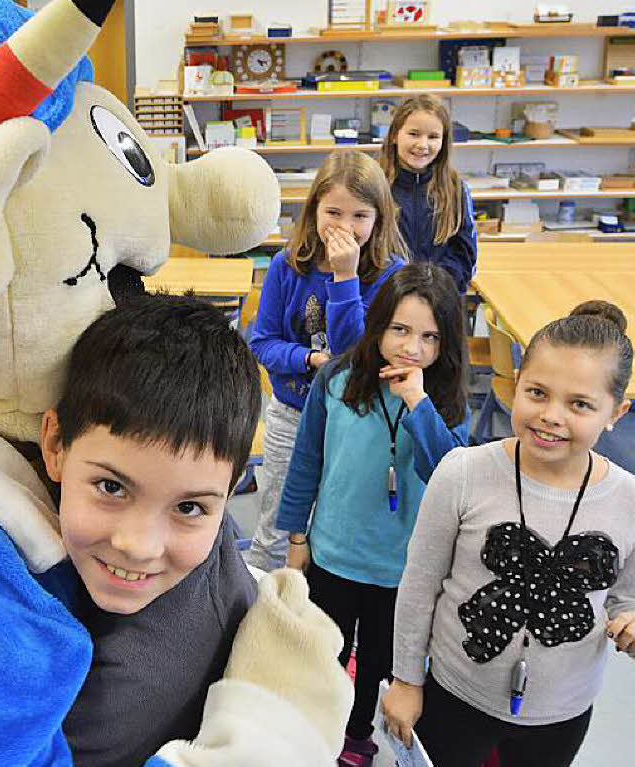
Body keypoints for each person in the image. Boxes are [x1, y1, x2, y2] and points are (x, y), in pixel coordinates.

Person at [0, 294, 354, 766]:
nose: (139, 544)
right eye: (113, 488)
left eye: (189, 508)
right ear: (53, 445)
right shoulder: (196, 564)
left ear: (233, 488)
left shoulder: (115, 684)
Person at [383, 301, 635, 767]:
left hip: (562, 710)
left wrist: (628, 621)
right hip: (456, 694)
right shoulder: (461, 472)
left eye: (580, 404)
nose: (552, 416)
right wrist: (405, 680)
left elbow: (624, 596)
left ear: (615, 412)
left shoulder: (629, 500)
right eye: (538, 392)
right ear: (514, 384)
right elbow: (419, 586)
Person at [277, 262, 471, 766]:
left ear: (445, 344)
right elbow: (306, 463)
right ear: (378, 324)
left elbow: (449, 473)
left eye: (429, 337)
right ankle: (317, 728)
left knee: (379, 665)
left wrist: (419, 404)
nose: (411, 347)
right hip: (333, 553)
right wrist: (296, 540)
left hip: (401, 569)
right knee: (323, 654)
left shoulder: (444, 400)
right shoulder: (338, 380)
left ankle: (358, 733)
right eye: (400, 330)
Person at [245, 149, 407, 572]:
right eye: (333, 212)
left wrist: (345, 276)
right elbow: (262, 343)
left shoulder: (391, 276)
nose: (345, 228)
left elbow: (353, 352)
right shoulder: (287, 265)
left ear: (378, 219)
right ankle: (264, 603)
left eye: (360, 216)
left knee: (336, 524)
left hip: (354, 418)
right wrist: (311, 359)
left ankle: (316, 609)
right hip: (292, 412)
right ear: (314, 208)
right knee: (279, 523)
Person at [379, 94, 477, 294]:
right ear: (395, 136)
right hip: (384, 297)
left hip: (438, 299)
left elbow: (464, 254)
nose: (423, 145)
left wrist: (434, 288)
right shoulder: (375, 184)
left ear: (443, 142)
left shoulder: (455, 190)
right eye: (414, 134)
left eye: (433, 137)